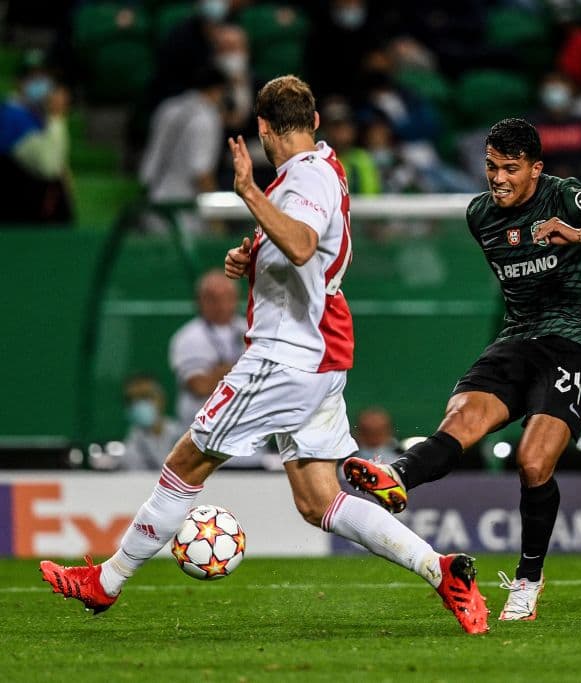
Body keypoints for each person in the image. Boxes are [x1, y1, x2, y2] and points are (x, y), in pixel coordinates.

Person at [40, 75, 489, 635]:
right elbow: (309, 243)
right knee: (319, 500)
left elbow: (301, 243)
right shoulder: (325, 169)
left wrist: (248, 193)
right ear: (317, 122)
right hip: (321, 354)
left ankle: (105, 583)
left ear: (261, 127)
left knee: (186, 462)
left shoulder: (299, 179)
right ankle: (442, 569)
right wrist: (252, 252)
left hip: (285, 356)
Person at [343, 117, 581, 622]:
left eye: (511, 168)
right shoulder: (480, 215)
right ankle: (396, 475)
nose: (499, 178)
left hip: (575, 338)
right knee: (461, 420)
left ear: (536, 168)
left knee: (533, 463)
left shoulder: (564, 197)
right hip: (518, 337)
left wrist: (577, 234)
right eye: (491, 166)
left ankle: (529, 580)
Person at [138, 66, 228, 234]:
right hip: (184, 212)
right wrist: (217, 218)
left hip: (153, 200)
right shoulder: (207, 118)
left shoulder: (167, 108)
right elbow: (201, 173)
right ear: (218, 90)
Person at [0, 51, 73, 225]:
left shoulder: (38, 116)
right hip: (17, 217)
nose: (41, 84)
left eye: (45, 77)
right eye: (33, 77)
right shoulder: (12, 116)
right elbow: (48, 167)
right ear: (18, 82)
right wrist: (56, 117)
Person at [169, 270, 247, 428]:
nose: (222, 305)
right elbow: (200, 386)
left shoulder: (251, 329)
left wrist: (220, 372)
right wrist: (245, 369)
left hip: (245, 431)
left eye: (228, 297)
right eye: (213, 298)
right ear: (200, 301)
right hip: (202, 433)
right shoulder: (188, 337)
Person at [120, 375, 183, 471]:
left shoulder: (183, 433)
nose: (140, 404)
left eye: (145, 396)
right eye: (132, 399)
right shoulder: (130, 446)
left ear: (161, 399)